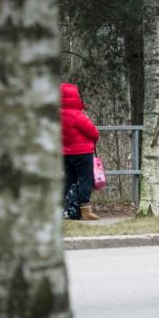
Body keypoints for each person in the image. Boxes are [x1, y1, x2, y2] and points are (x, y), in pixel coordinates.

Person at [61, 82, 100, 220]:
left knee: (68, 179)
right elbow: (93, 132)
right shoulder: (77, 115)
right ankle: (85, 209)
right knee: (85, 179)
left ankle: (66, 208)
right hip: (82, 153)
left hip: (65, 153)